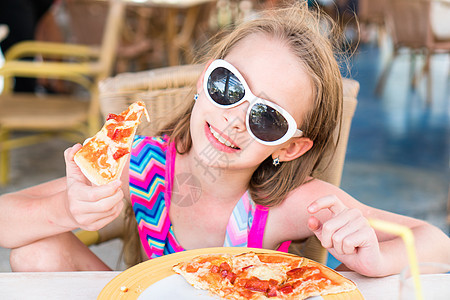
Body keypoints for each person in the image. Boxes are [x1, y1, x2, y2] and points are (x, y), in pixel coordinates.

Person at [1, 2, 449, 275]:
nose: (235, 118)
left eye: (267, 117)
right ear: (202, 81)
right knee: (36, 251)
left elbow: (437, 243)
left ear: (290, 146)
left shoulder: (291, 205)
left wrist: (376, 260)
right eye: (229, 87)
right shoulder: (140, 167)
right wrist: (68, 208)